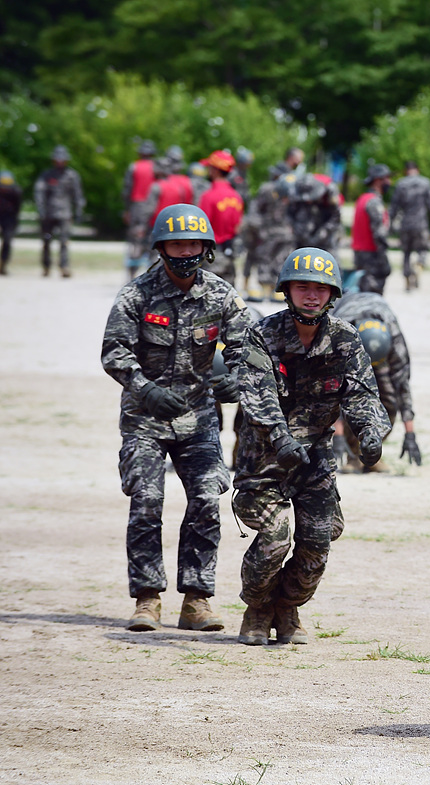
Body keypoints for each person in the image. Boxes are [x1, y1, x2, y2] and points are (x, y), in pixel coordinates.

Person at [100, 204, 255, 633]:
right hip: (145, 419)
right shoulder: (136, 295)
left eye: (193, 244)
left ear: (205, 248)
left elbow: (248, 350)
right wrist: (146, 390)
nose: (185, 252)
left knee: (207, 497)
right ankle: (147, 599)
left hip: (199, 418)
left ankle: (197, 600)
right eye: (176, 244)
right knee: (147, 501)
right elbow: (115, 353)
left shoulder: (222, 295)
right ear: (161, 247)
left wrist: (237, 380)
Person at [233, 248, 391, 645]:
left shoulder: (345, 338)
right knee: (275, 537)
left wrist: (372, 433)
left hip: (315, 459)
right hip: (264, 456)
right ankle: (257, 607)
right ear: (287, 290)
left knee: (319, 541)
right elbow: (257, 395)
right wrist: (281, 437)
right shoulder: (263, 334)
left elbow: (363, 394)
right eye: (302, 286)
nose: (311, 295)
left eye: (320, 288)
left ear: (333, 294)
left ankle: (288, 608)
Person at [331, 290, 421, 471]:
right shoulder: (339, 335)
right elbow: (332, 391)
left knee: (389, 399)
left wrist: (410, 434)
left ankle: (370, 454)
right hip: (351, 352)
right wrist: (337, 437)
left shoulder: (394, 340)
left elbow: (402, 386)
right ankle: (352, 454)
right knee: (348, 398)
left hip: (380, 351)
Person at [388, 160, 430, 291]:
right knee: (423, 250)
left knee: (406, 253)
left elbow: (394, 207)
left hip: (406, 223)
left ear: (405, 171)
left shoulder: (401, 184)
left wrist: (390, 225)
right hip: (421, 223)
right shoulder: (425, 183)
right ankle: (419, 265)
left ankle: (407, 278)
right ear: (417, 169)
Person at [243, 166, 296, 301]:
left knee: (281, 260)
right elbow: (255, 210)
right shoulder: (267, 190)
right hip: (266, 232)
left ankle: (276, 287)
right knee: (264, 258)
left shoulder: (293, 190)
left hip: (285, 233)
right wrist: (258, 228)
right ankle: (264, 286)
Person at [34, 145, 85, 278]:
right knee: (46, 241)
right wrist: (41, 209)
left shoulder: (72, 175)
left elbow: (78, 195)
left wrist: (79, 210)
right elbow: (39, 192)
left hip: (65, 213)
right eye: (57, 159)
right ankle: (46, 266)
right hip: (49, 213)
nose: (60, 162)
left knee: (64, 241)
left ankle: (64, 266)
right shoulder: (46, 175)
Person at [196, 150, 244, 283]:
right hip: (229, 253)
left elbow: (201, 227)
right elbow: (238, 226)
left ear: (215, 170)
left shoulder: (209, 196)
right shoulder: (236, 197)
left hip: (212, 256)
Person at [352, 163, 392, 295]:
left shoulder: (362, 198)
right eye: (387, 178)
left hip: (360, 253)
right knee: (372, 293)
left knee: (362, 289)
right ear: (378, 180)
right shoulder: (374, 201)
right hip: (371, 254)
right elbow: (379, 233)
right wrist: (384, 260)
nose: (389, 182)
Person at [122, 140, 158, 280]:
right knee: (152, 241)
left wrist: (127, 210)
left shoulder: (134, 167)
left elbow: (127, 190)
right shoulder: (157, 167)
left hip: (137, 207)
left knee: (135, 242)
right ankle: (153, 275)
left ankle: (131, 275)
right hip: (153, 207)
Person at [0, 170, 22, 276]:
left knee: (7, 240)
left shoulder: (16, 191)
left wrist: (15, 221)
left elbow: (17, 207)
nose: (5, 189)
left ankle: (3, 264)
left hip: (9, 217)